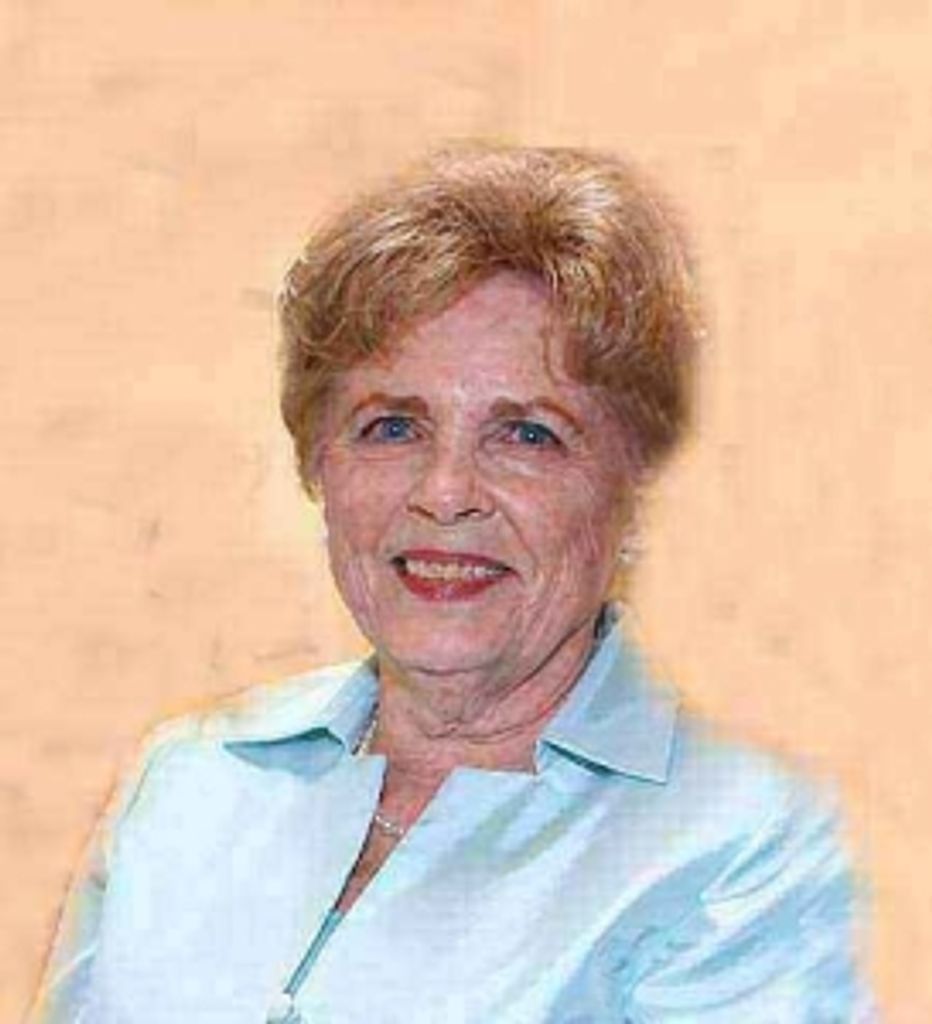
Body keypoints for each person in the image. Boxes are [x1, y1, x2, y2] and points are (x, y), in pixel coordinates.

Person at [30, 145, 877, 1023]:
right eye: (392, 427)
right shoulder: (187, 781)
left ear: (634, 487)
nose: (444, 494)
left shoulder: (744, 848)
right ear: (318, 465)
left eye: (528, 435)